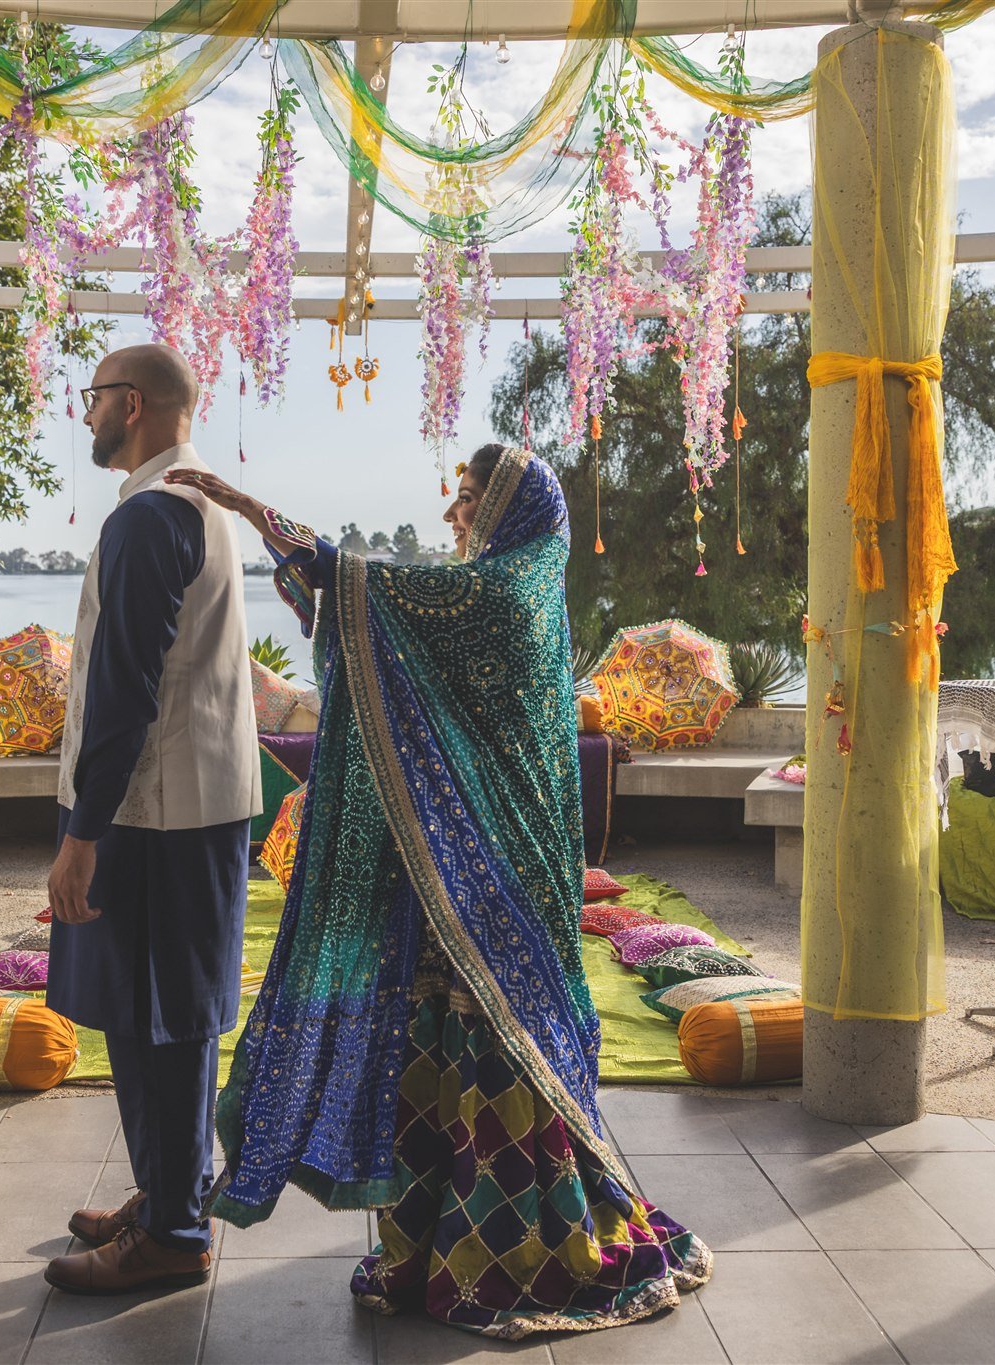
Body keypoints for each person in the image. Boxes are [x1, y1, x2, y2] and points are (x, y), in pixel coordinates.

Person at [165, 444, 711, 1338]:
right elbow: (380, 612)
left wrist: (257, 511)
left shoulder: (505, 592)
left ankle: (512, 1252)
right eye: (457, 497)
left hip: (498, 873)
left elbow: (373, 591)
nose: (454, 514)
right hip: (459, 865)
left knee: (495, 1045)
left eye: (470, 498)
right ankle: (430, 1247)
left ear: (509, 511)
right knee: (440, 1037)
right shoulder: (504, 588)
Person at [43, 343, 260, 1296]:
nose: (86, 414)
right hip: (196, 802)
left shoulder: (149, 517)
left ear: (131, 404)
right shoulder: (202, 503)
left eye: (94, 398)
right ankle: (170, 1193)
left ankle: (172, 1232)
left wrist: (82, 835)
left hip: (154, 812)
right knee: (166, 1014)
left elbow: (124, 690)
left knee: (158, 1019)